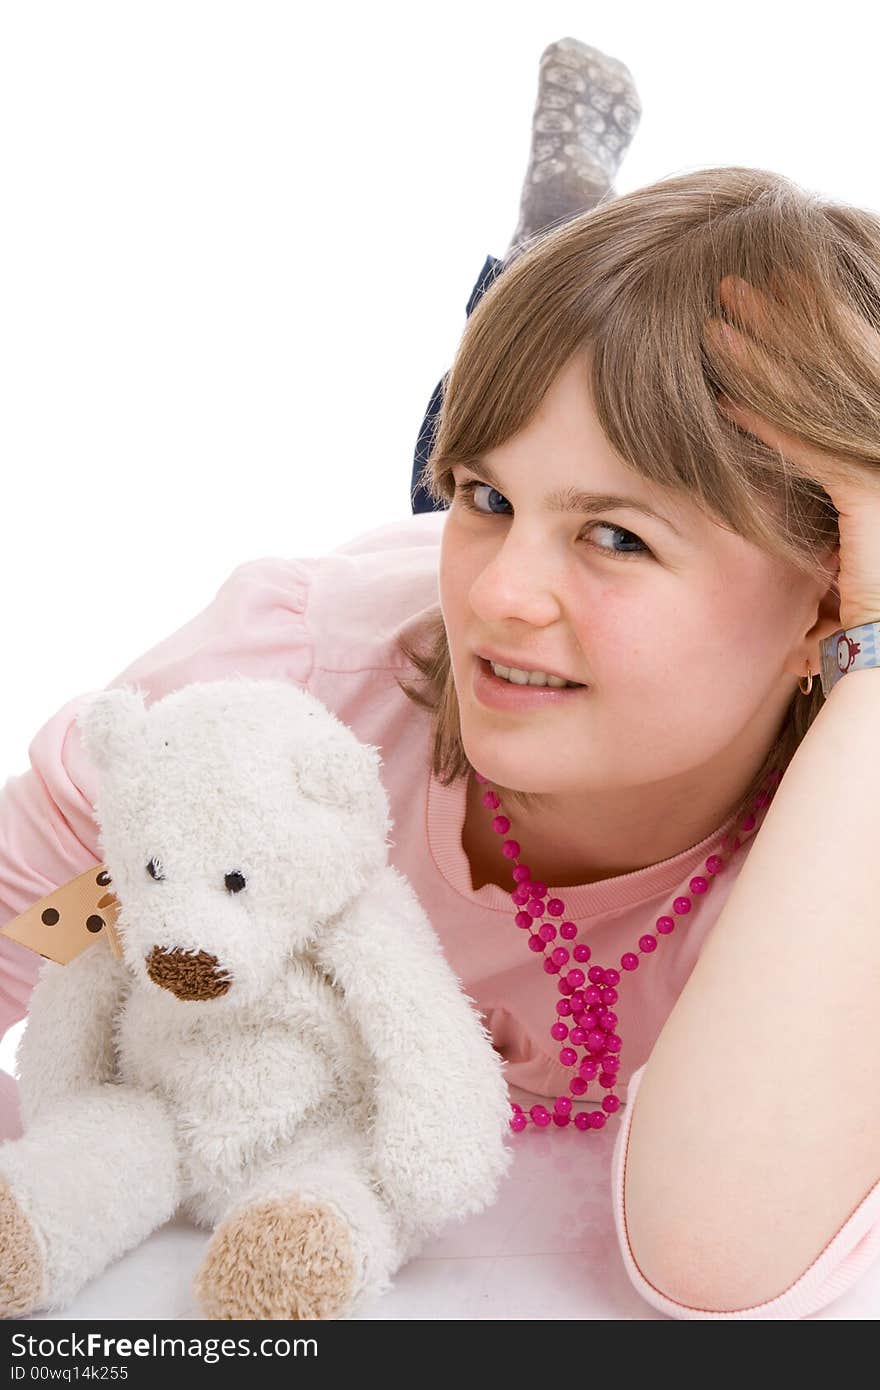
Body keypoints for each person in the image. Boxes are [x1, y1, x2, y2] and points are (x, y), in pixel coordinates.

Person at [2, 39, 880, 1321]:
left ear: (827, 592)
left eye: (619, 535)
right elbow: (31, 917)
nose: (498, 591)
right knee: (496, 405)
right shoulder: (286, 690)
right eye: (490, 498)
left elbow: (715, 1258)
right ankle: (545, 255)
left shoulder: (843, 829)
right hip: (402, 628)